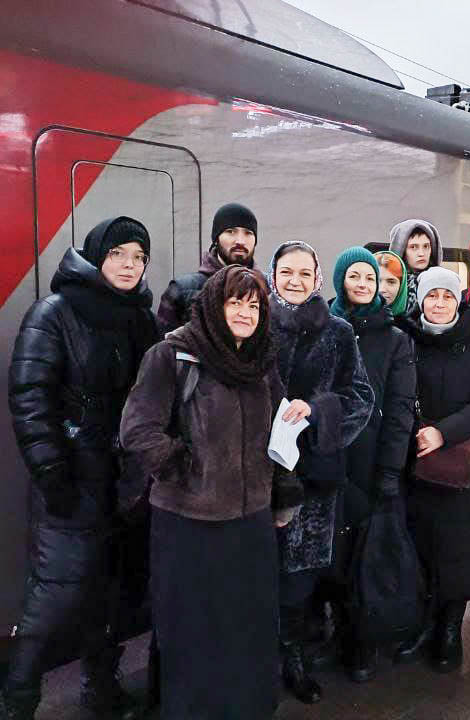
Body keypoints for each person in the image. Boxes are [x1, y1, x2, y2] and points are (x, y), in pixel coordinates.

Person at [119, 265, 302, 720]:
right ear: (213, 307)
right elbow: (137, 430)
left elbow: (276, 432)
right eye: (234, 302)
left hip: (251, 521)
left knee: (248, 626)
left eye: (254, 305)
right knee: (194, 632)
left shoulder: (261, 361)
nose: (244, 313)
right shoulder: (172, 355)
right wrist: (184, 468)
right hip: (189, 524)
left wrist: (282, 491)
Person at [0, 217, 159, 720]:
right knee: (52, 598)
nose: (129, 266)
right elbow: (30, 398)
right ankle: (15, 705)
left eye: (139, 257)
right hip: (70, 480)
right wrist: (52, 473)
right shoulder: (54, 313)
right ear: (96, 256)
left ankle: (101, 690)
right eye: (118, 254)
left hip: (123, 484)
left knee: (108, 595)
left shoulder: (141, 319)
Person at [268, 241, 374, 704]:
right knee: (254, 573)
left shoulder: (338, 332)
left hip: (313, 477)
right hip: (254, 474)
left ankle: (294, 659)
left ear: (316, 278)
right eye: (286, 272)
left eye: (303, 273)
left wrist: (316, 411)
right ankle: (256, 660)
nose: (295, 280)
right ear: (273, 275)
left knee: (300, 577)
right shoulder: (253, 323)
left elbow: (362, 397)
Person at [394, 267, 470, 673]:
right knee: (419, 544)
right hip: (414, 460)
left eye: (447, 296)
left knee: (457, 551)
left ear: (459, 300)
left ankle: (450, 630)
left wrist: (444, 432)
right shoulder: (405, 339)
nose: (439, 303)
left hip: (460, 465)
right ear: (420, 299)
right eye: (432, 296)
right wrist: (413, 435)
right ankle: (423, 624)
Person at [329, 247, 416, 683]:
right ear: (340, 280)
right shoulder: (325, 327)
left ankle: (361, 642)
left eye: (370, 277)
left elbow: (400, 411)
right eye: (354, 276)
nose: (362, 284)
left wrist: (389, 471)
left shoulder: (395, 338)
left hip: (370, 461)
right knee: (330, 552)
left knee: (364, 554)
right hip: (328, 458)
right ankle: (332, 633)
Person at [156, 202, 257, 333]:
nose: (240, 241)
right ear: (216, 239)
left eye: (248, 233)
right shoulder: (182, 289)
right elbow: (163, 343)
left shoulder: (267, 289)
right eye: (231, 232)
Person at [388, 219, 443, 316]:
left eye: (426, 246)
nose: (421, 253)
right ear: (401, 250)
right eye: (413, 247)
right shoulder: (387, 283)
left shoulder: (442, 282)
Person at [374, 250, 409, 318]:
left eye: (391, 282)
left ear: (401, 286)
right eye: (376, 281)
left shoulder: (410, 325)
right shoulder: (352, 320)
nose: (382, 289)